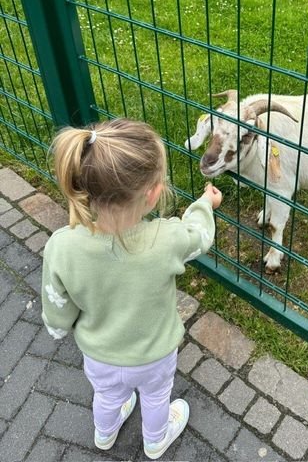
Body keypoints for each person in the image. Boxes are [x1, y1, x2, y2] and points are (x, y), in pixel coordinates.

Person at [41, 118, 222, 460]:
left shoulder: (61, 246)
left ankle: (105, 433)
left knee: (107, 396)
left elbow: (58, 304)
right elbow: (200, 237)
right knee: (156, 397)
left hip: (99, 354)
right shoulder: (166, 239)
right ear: (153, 194)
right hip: (154, 354)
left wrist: (57, 326)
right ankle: (156, 439)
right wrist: (203, 205)